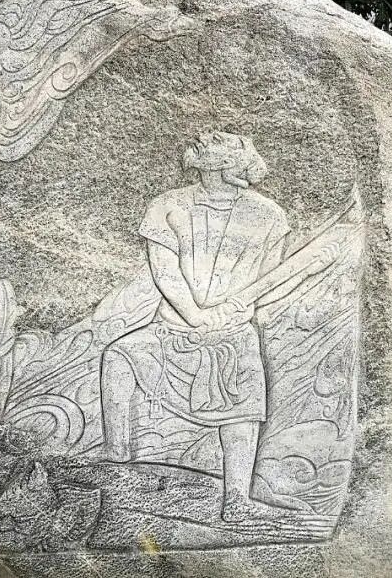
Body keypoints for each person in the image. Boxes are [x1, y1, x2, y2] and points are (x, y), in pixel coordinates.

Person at [97, 132, 293, 522]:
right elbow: (165, 272)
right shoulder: (168, 206)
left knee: (243, 409)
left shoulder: (269, 215)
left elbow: (268, 277)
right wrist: (195, 316)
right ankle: (117, 461)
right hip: (171, 329)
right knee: (118, 356)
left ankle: (236, 498)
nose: (250, 169)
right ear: (216, 164)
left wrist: (237, 309)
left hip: (233, 333)